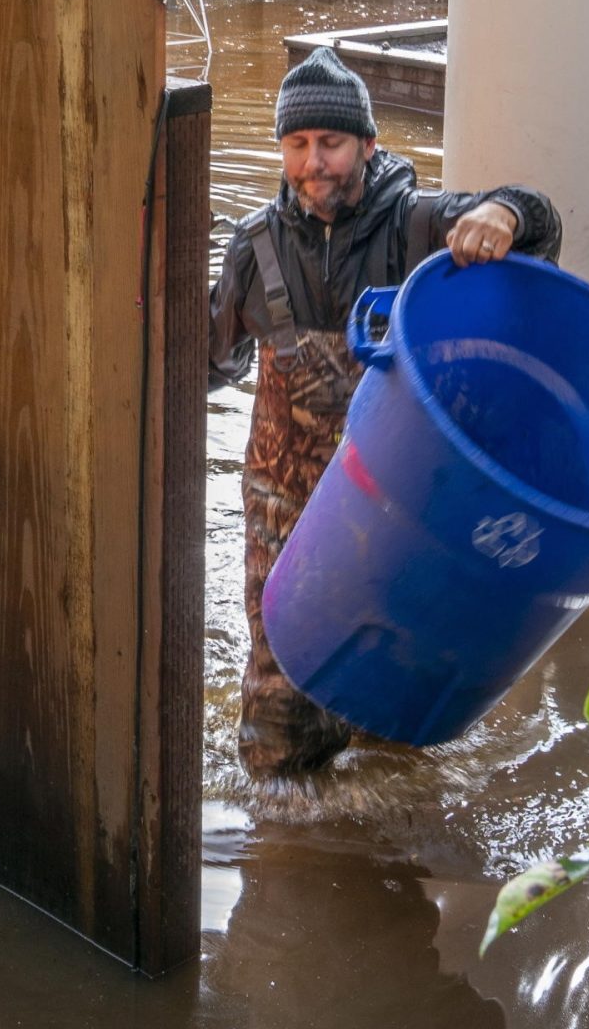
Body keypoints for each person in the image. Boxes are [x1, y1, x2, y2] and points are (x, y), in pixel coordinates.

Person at [209, 47, 561, 781]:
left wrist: (504, 212)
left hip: (403, 512)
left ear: (368, 145)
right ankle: (284, 849)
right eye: (298, 145)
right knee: (275, 733)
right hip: (285, 512)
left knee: (396, 718)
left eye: (332, 143)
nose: (315, 164)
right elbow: (211, 364)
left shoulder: (423, 228)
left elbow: (540, 226)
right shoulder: (252, 248)